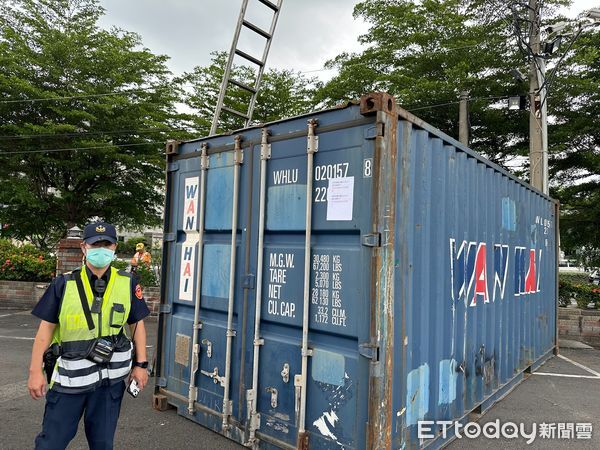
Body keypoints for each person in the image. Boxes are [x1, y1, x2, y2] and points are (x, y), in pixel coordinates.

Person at [28, 222, 150, 450]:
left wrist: (141, 365)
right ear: (84, 247)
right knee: (51, 443)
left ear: (114, 248)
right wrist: (35, 371)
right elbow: (45, 331)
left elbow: (137, 325)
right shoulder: (64, 283)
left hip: (109, 382)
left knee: (103, 444)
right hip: (69, 381)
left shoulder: (127, 282)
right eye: (95, 244)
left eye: (107, 244)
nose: (101, 249)